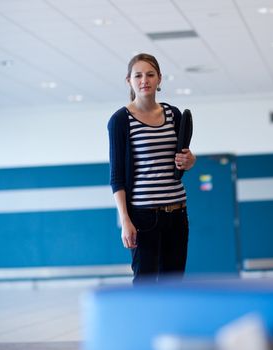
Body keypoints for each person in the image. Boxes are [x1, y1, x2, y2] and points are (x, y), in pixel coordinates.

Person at [108, 53, 196, 284]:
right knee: (145, 283)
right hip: (143, 216)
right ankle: (144, 322)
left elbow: (182, 157)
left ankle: (172, 322)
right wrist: (125, 220)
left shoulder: (173, 114)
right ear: (129, 80)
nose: (144, 80)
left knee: (174, 283)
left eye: (150, 74)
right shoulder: (120, 120)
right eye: (138, 75)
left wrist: (190, 160)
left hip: (177, 213)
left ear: (159, 79)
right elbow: (117, 176)